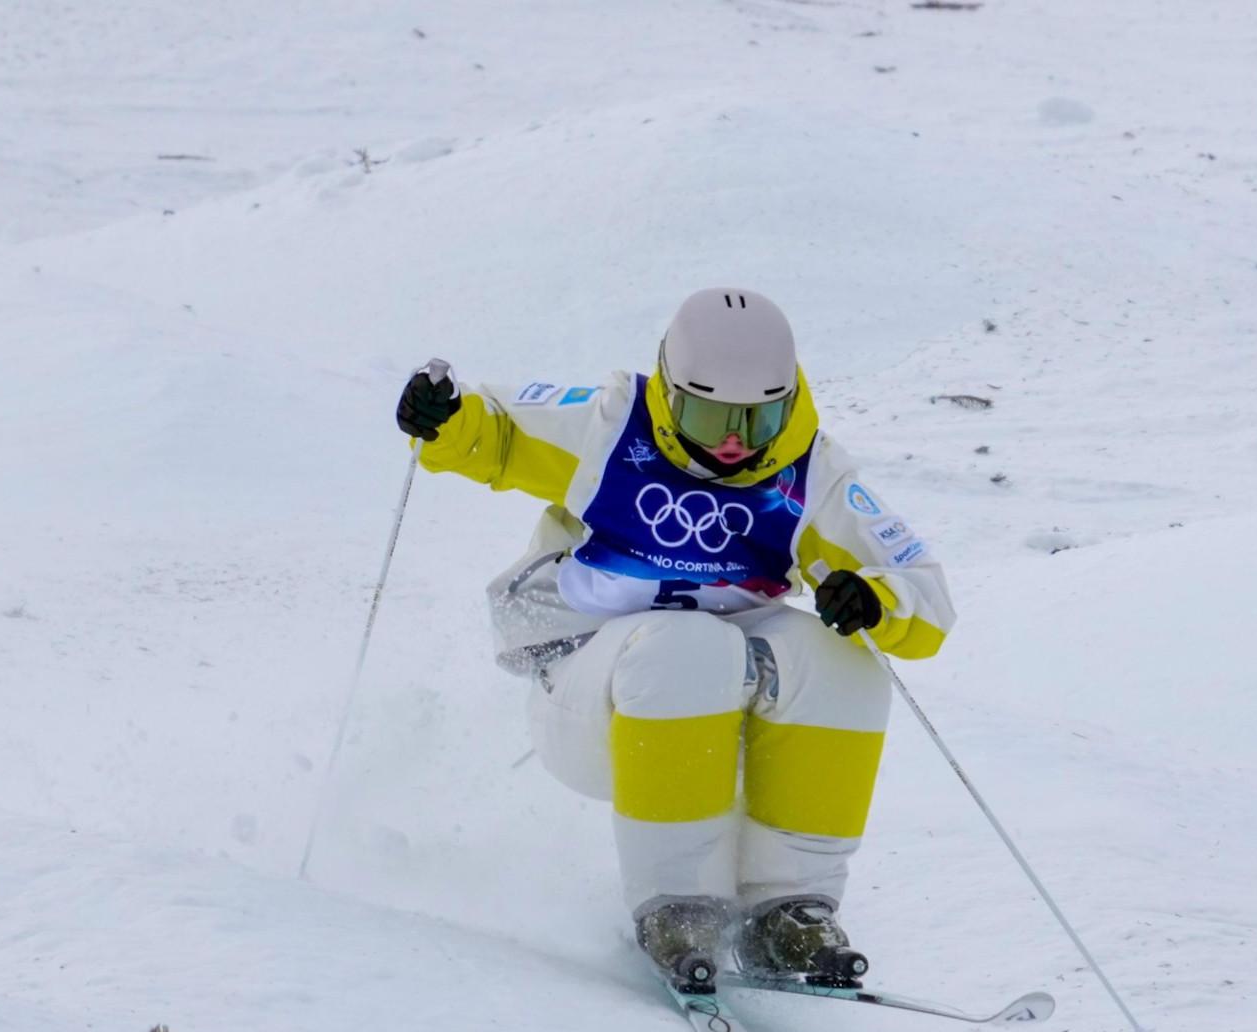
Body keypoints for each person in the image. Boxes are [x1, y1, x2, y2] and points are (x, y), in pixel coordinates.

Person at [393, 288, 955, 994]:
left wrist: (877, 599)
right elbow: (498, 431)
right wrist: (444, 419)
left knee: (843, 662)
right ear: (669, 392)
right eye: (708, 417)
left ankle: (787, 909)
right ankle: (679, 905)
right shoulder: (612, 429)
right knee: (686, 645)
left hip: (721, 724)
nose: (731, 443)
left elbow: (922, 591)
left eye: (757, 420)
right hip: (587, 697)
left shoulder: (809, 475)